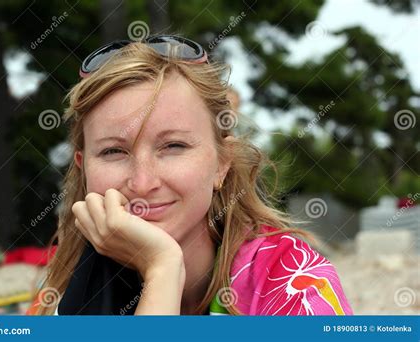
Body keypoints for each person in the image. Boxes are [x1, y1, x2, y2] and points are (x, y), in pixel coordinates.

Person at [38, 35, 352, 315]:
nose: (143, 183)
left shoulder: (294, 281)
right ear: (83, 167)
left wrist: (161, 269)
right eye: (113, 152)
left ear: (222, 163)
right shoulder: (66, 287)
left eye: (173, 146)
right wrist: (163, 271)